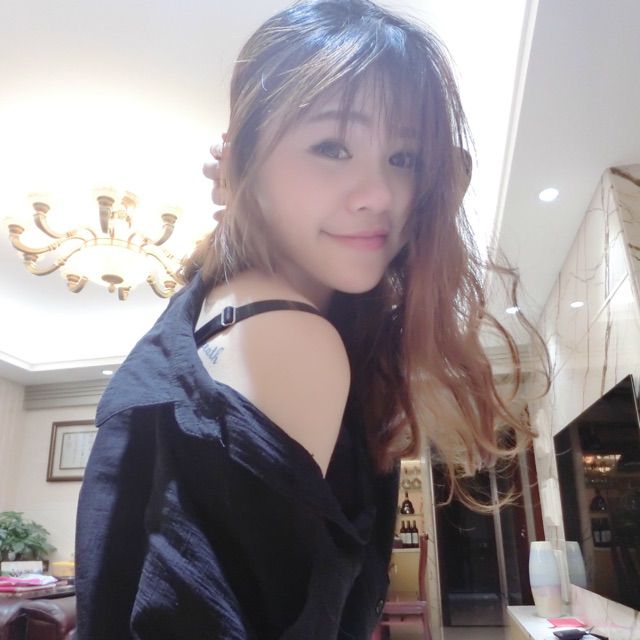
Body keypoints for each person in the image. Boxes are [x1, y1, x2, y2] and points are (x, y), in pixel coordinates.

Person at [75, 1, 545, 638]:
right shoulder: (291, 336)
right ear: (244, 160)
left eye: (405, 159)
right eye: (332, 146)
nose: (379, 195)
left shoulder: (222, 308)